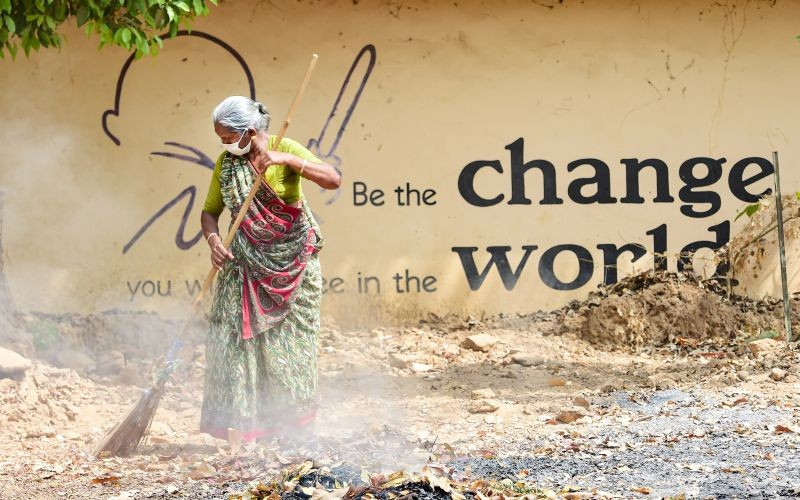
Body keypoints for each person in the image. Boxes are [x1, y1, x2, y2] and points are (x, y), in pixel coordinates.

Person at [199, 96, 341, 443]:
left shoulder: (285, 149)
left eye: (227, 138)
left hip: (292, 267)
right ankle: (249, 427)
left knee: (290, 348)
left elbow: (332, 179)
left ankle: (295, 429)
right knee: (232, 343)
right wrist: (214, 240)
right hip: (243, 265)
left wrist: (286, 159)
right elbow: (210, 212)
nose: (223, 145)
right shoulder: (227, 165)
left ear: (248, 132)